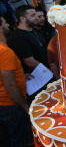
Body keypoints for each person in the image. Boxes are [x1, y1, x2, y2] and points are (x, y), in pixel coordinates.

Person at [7, 5, 56, 103]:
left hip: (47, 74)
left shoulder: (33, 30)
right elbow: (30, 62)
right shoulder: (18, 37)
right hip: (36, 80)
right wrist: (50, 72)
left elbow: (45, 47)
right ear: (23, 18)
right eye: (33, 15)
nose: (36, 17)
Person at [0, 16, 29, 146]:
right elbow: (10, 85)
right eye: (5, 23)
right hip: (10, 106)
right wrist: (25, 106)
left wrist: (21, 75)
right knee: (17, 141)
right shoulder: (5, 52)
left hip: (4, 106)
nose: (8, 25)